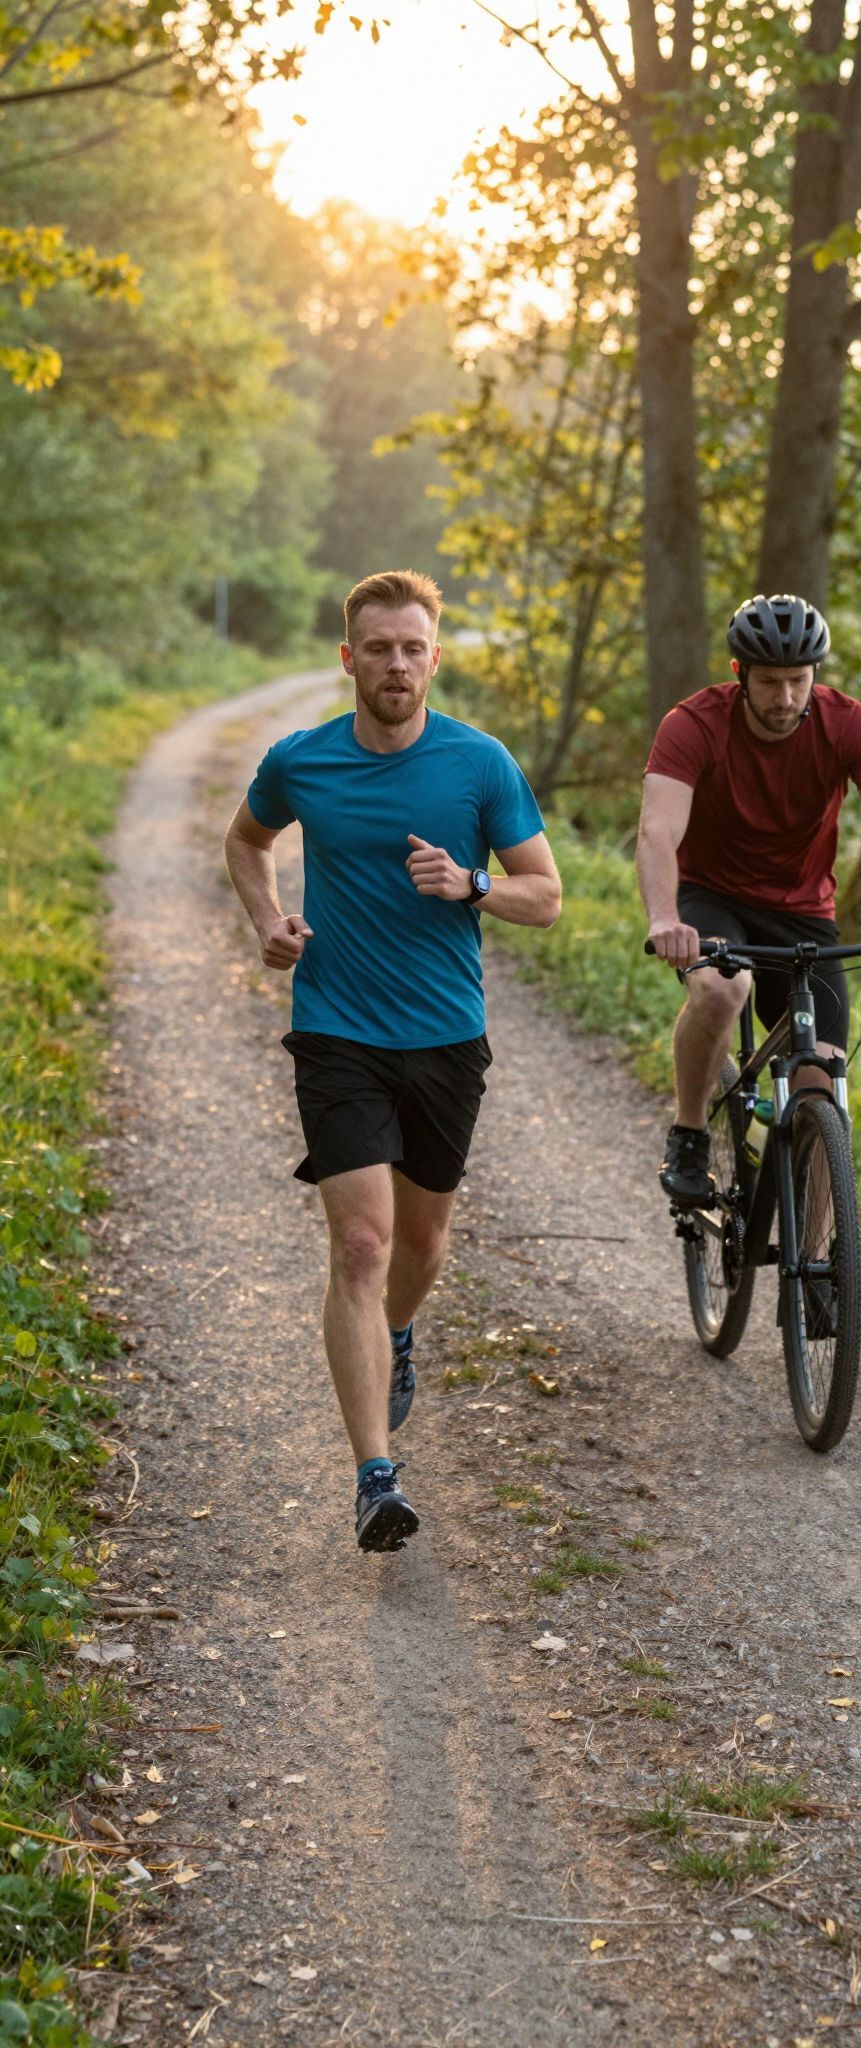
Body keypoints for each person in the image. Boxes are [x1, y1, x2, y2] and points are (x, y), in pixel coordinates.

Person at [224, 571, 561, 1553]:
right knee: (364, 1246)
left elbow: (546, 896)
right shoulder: (302, 761)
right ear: (349, 659)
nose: (397, 664)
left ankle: (397, 1333)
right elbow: (246, 841)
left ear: (435, 658)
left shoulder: (479, 764)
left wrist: (472, 884)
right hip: (337, 1030)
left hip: (446, 1035)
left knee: (421, 1245)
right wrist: (268, 921)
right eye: (378, 648)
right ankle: (376, 1476)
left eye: (413, 648)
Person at [638, 593, 861, 1205]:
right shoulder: (693, 724)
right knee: (722, 990)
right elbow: (657, 831)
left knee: (822, 1084)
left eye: (798, 681)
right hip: (711, 897)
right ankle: (690, 1132)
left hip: (804, 912)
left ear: (816, 675)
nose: (785, 698)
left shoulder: (850, 725)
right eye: (769, 682)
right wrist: (665, 918)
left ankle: (822, 1261)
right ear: (740, 674)